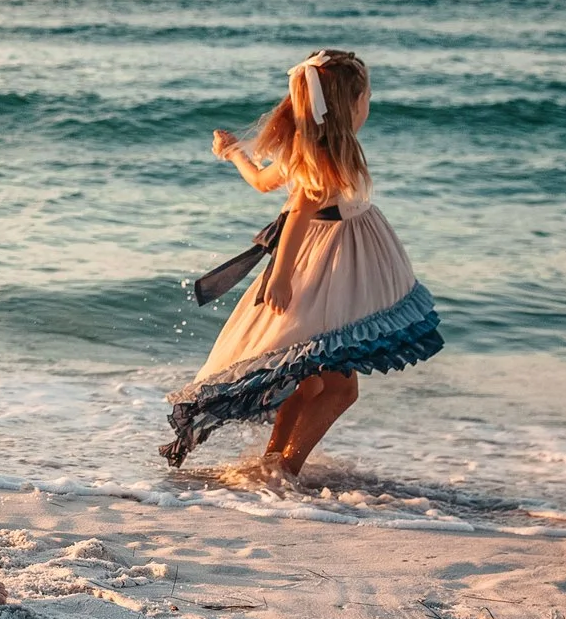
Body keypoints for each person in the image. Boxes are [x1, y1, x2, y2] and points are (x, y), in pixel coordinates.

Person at [164, 49, 442, 477]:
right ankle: (285, 471)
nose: (368, 105)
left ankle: (272, 465)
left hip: (330, 265)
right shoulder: (327, 157)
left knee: (312, 378)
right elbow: (297, 214)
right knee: (340, 388)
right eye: (366, 96)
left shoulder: (305, 148)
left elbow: (260, 181)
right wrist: (279, 277)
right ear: (348, 105)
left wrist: (235, 152)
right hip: (327, 271)